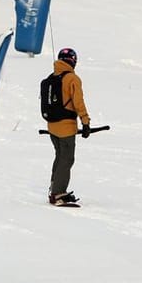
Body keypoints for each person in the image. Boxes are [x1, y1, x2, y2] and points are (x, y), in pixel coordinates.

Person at [43, 47, 92, 206]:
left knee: (59, 156)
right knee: (67, 158)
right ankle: (58, 193)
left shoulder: (52, 77)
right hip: (66, 126)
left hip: (52, 126)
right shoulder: (72, 79)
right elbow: (78, 103)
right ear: (73, 61)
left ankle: (54, 189)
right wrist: (85, 122)